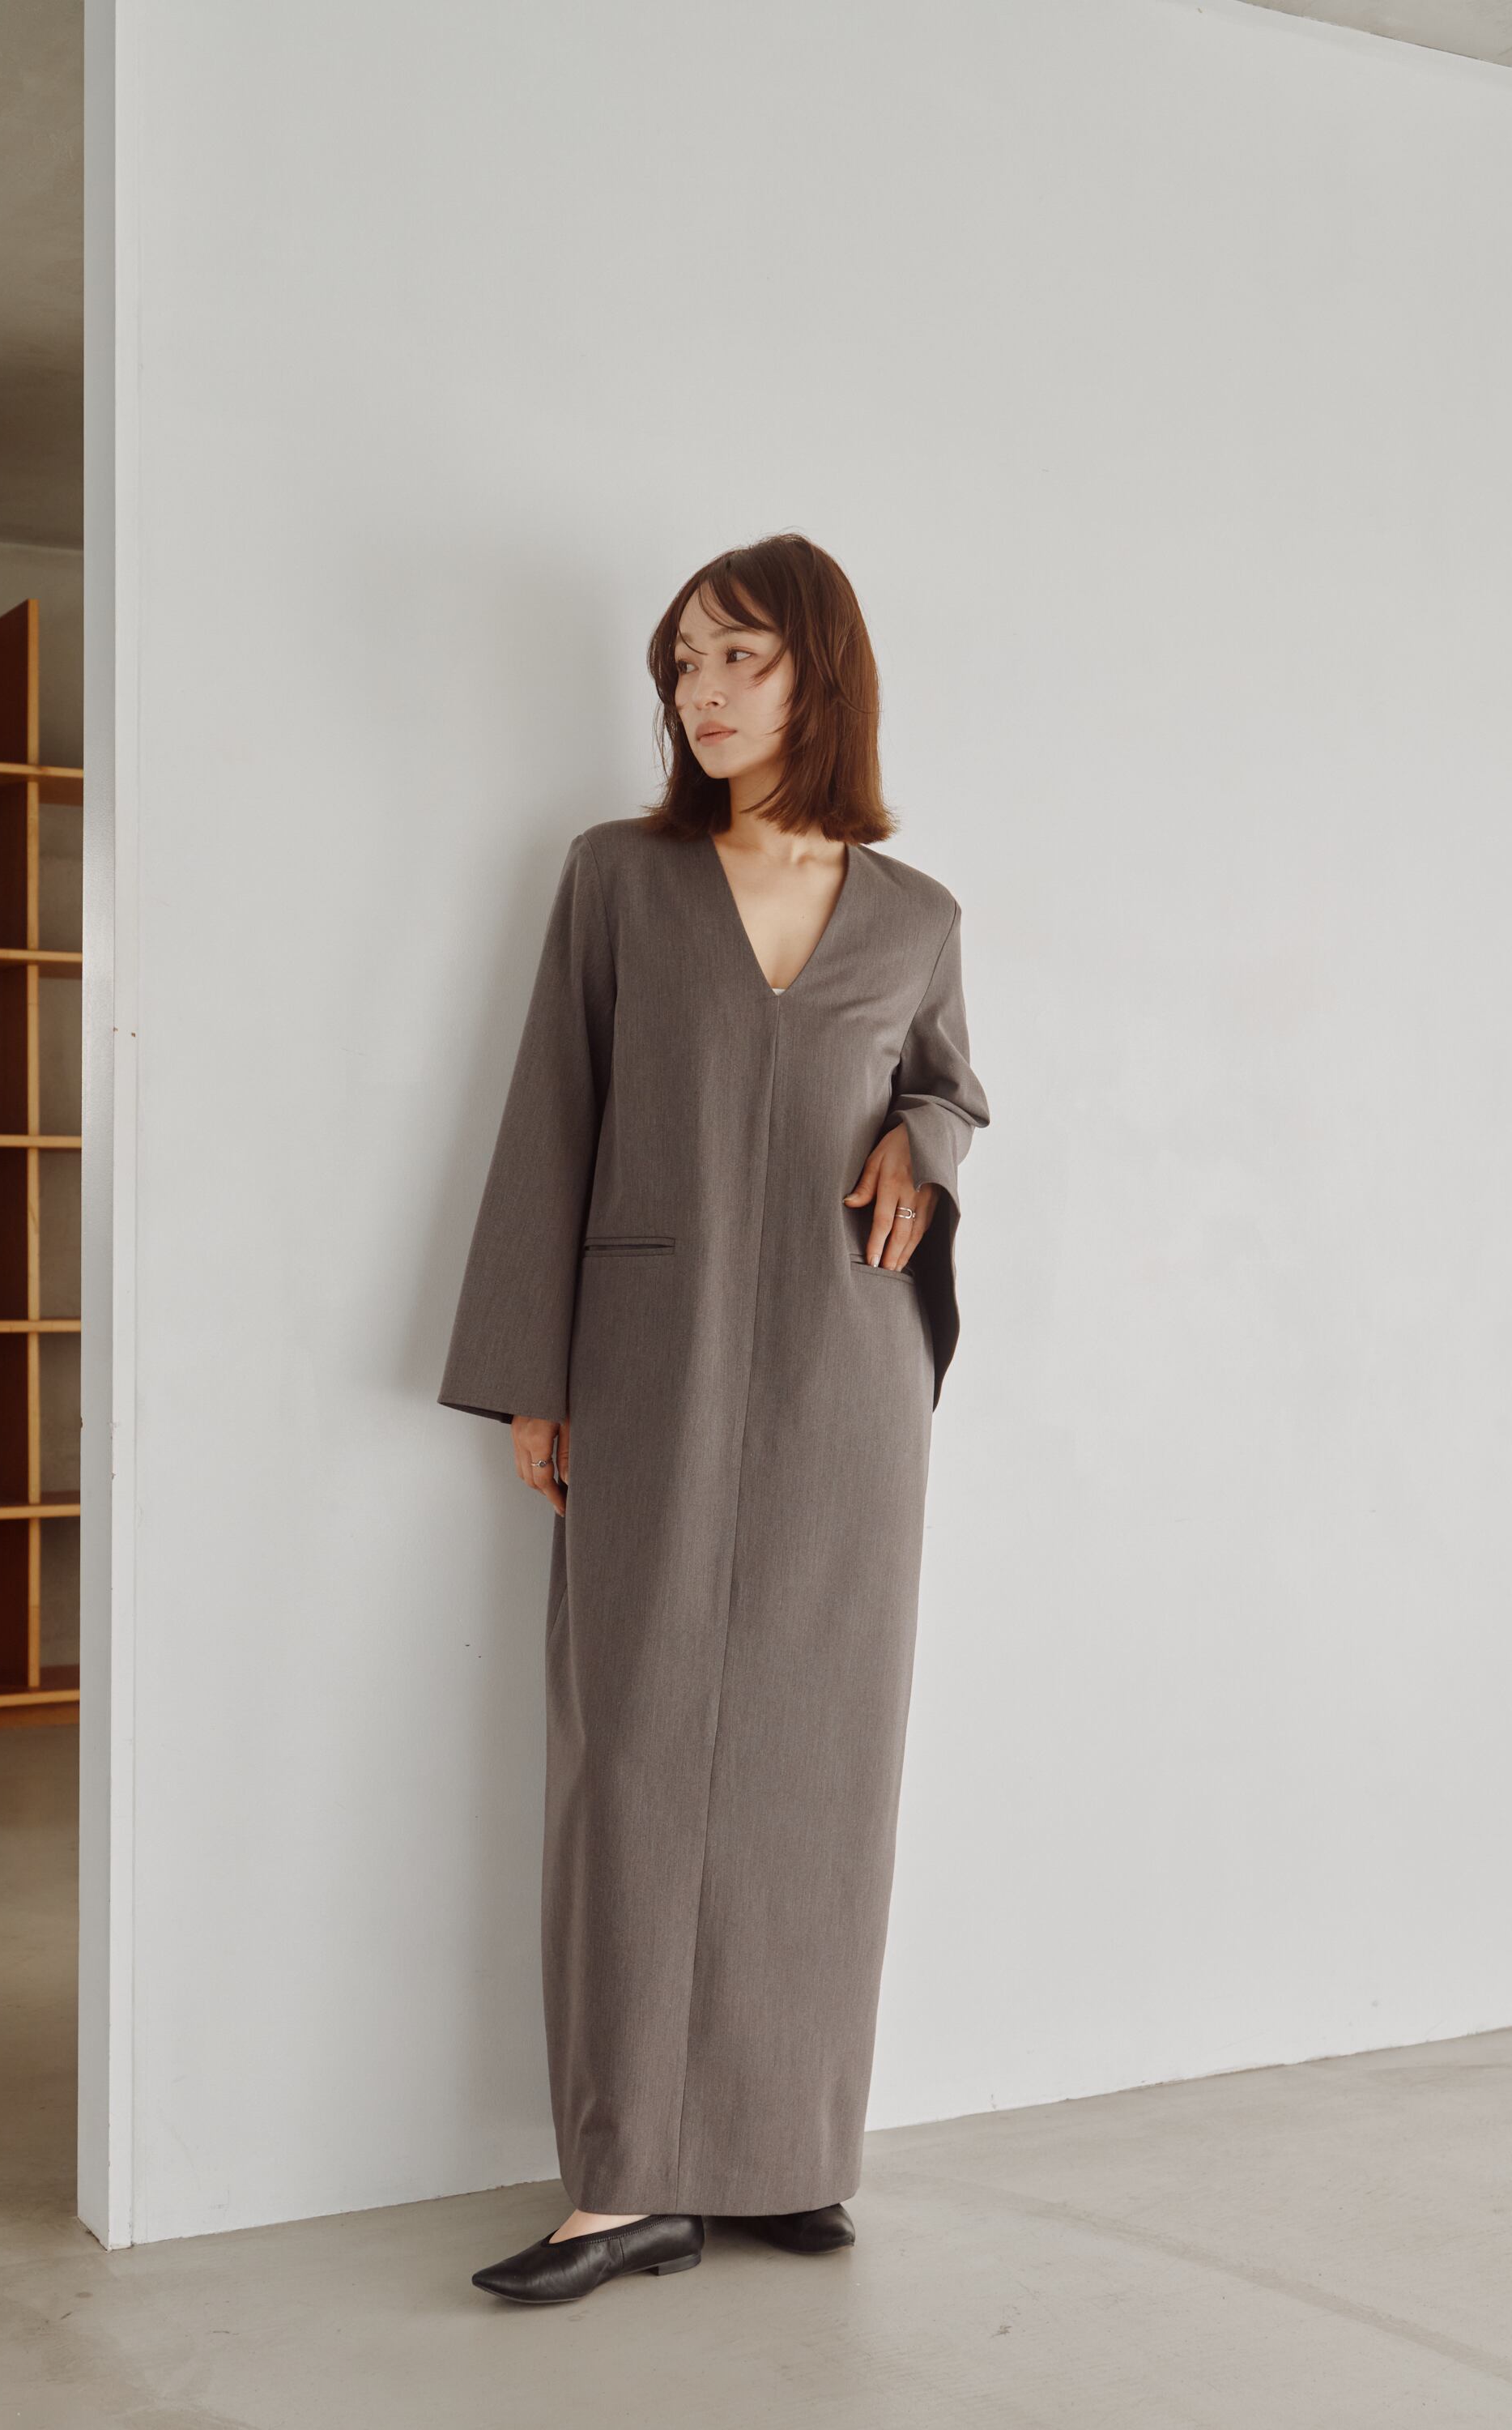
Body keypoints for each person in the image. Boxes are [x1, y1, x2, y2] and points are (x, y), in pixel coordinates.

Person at [439, 532, 990, 2306]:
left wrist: (925, 1141)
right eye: (683, 660)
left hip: (847, 1377)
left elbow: (950, 1086)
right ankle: (624, 2184)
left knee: (821, 1765)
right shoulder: (620, 878)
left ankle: (781, 2157)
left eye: (738, 655)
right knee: (632, 1754)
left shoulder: (915, 916)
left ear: (820, 671)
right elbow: (552, 1113)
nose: (702, 689)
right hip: (649, 1362)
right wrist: (535, 1370)